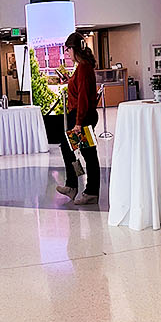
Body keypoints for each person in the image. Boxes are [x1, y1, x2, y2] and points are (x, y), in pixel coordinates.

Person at [58, 32, 102, 206]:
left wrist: (78, 123)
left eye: (67, 49)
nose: (67, 53)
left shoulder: (83, 67)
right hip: (83, 115)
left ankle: (86, 190)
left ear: (73, 48)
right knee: (75, 149)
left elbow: (83, 96)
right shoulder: (83, 67)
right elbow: (80, 89)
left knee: (86, 153)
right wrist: (70, 81)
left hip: (82, 116)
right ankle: (75, 186)